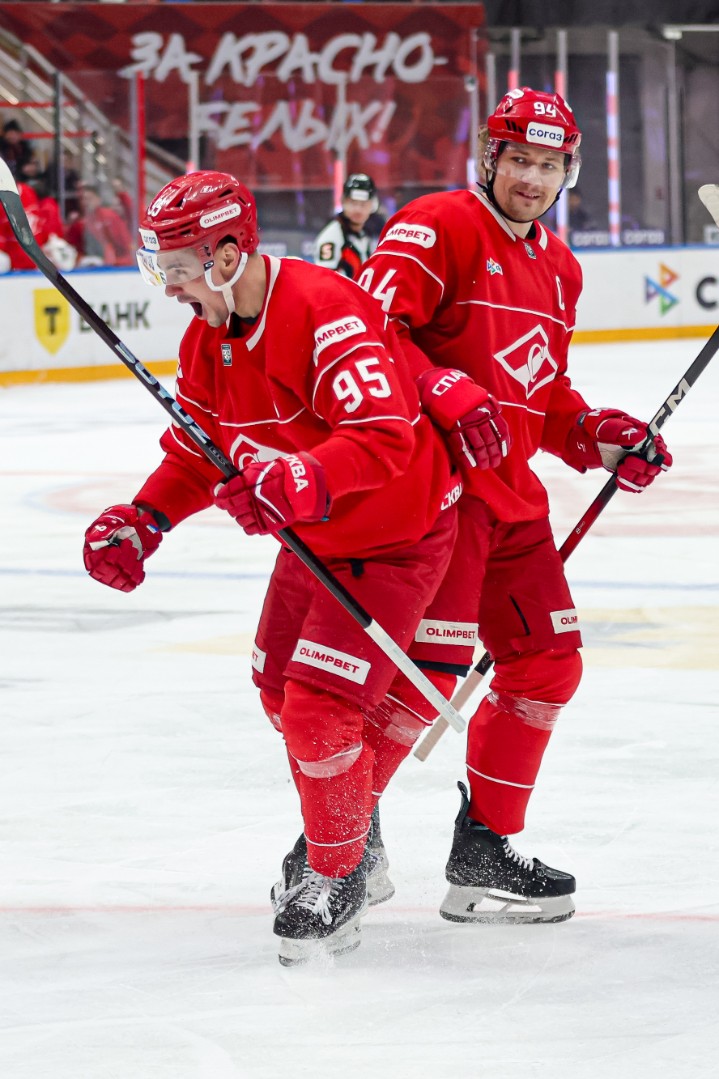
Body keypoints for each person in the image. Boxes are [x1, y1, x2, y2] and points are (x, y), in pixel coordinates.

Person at [81, 171, 459, 965]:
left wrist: (296, 479)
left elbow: (383, 436)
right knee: (278, 692)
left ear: (226, 253)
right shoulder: (205, 338)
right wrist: (144, 519)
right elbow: (199, 454)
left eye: (177, 266)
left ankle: (339, 871)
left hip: (393, 536)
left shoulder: (323, 311)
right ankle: (352, 829)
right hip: (313, 538)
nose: (169, 285)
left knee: (320, 707)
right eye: (160, 267)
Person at [358, 87, 673, 925]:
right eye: (518, 160)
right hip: (434, 495)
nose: (531, 179)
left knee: (546, 662)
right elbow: (363, 333)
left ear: (568, 171)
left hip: (509, 502)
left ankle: (483, 846)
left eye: (548, 164)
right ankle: (333, 844)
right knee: (421, 682)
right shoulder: (437, 225)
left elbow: (542, 392)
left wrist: (601, 434)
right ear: (489, 158)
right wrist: (438, 385)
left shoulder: (561, 267)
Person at [313, 172, 378, 279]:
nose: (358, 209)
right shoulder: (331, 237)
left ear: (372, 205)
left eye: (363, 204)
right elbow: (324, 279)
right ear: (343, 202)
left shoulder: (368, 234)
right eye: (353, 203)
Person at [66, 183, 134, 266]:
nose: (85, 202)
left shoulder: (109, 217)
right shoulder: (80, 223)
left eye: (89, 198)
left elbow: (124, 243)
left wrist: (116, 261)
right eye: (83, 199)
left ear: (98, 199)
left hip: (115, 265)